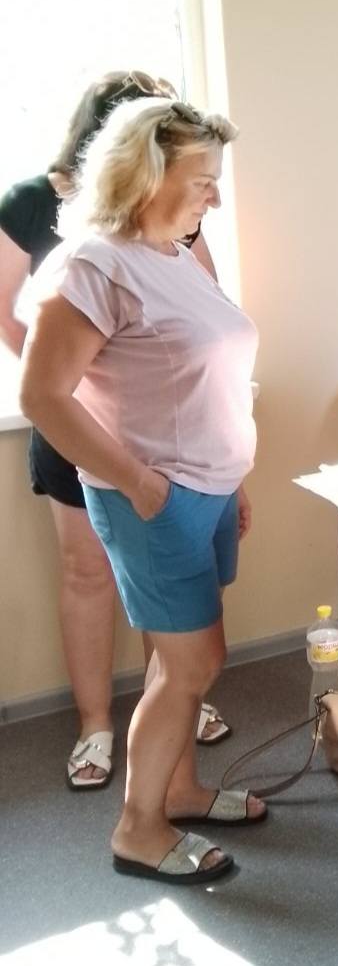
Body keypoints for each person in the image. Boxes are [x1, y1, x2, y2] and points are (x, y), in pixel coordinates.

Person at [20, 95, 263, 884]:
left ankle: (180, 790)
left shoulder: (172, 254)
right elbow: (42, 396)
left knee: (182, 661)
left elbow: (207, 377)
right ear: (147, 174)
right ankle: (138, 827)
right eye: (203, 180)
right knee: (193, 664)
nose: (214, 197)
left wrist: (233, 478)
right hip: (155, 499)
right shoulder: (93, 265)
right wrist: (139, 484)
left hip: (207, 489)